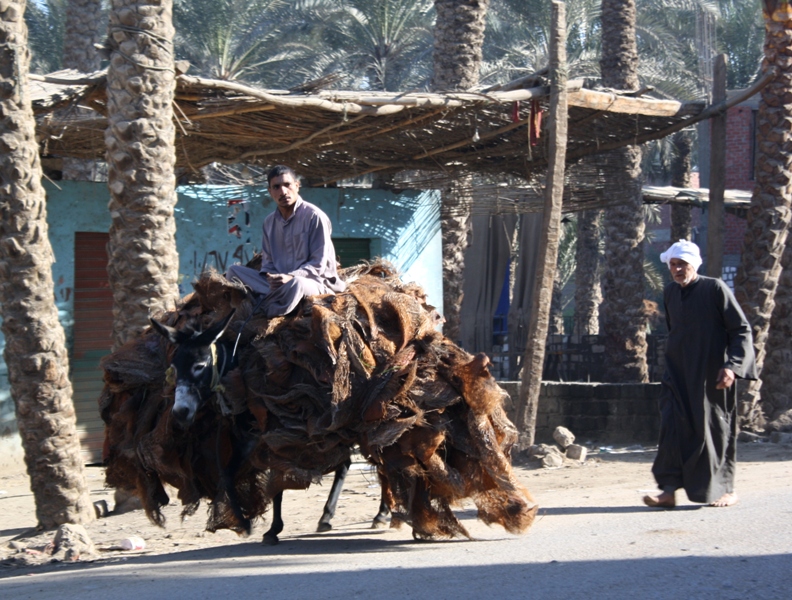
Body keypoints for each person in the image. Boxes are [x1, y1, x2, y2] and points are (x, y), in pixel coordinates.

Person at [643, 239, 757, 509]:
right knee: (671, 427)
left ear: (693, 264)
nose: (677, 270)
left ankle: (725, 489)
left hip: (712, 375)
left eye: (682, 264)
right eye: (673, 265)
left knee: (713, 431)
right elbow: (676, 332)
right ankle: (668, 489)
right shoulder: (670, 292)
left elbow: (740, 330)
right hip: (677, 374)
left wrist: (733, 366)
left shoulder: (714, 288)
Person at [226, 165, 346, 317]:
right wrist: (271, 278)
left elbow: (318, 265)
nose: (283, 191)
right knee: (233, 272)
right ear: (270, 192)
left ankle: (266, 311)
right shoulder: (269, 222)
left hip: (314, 282)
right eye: (276, 187)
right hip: (278, 285)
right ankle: (272, 299)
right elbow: (268, 263)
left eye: (287, 185)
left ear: (297, 185)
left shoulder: (315, 216)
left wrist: (291, 276)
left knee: (297, 285)